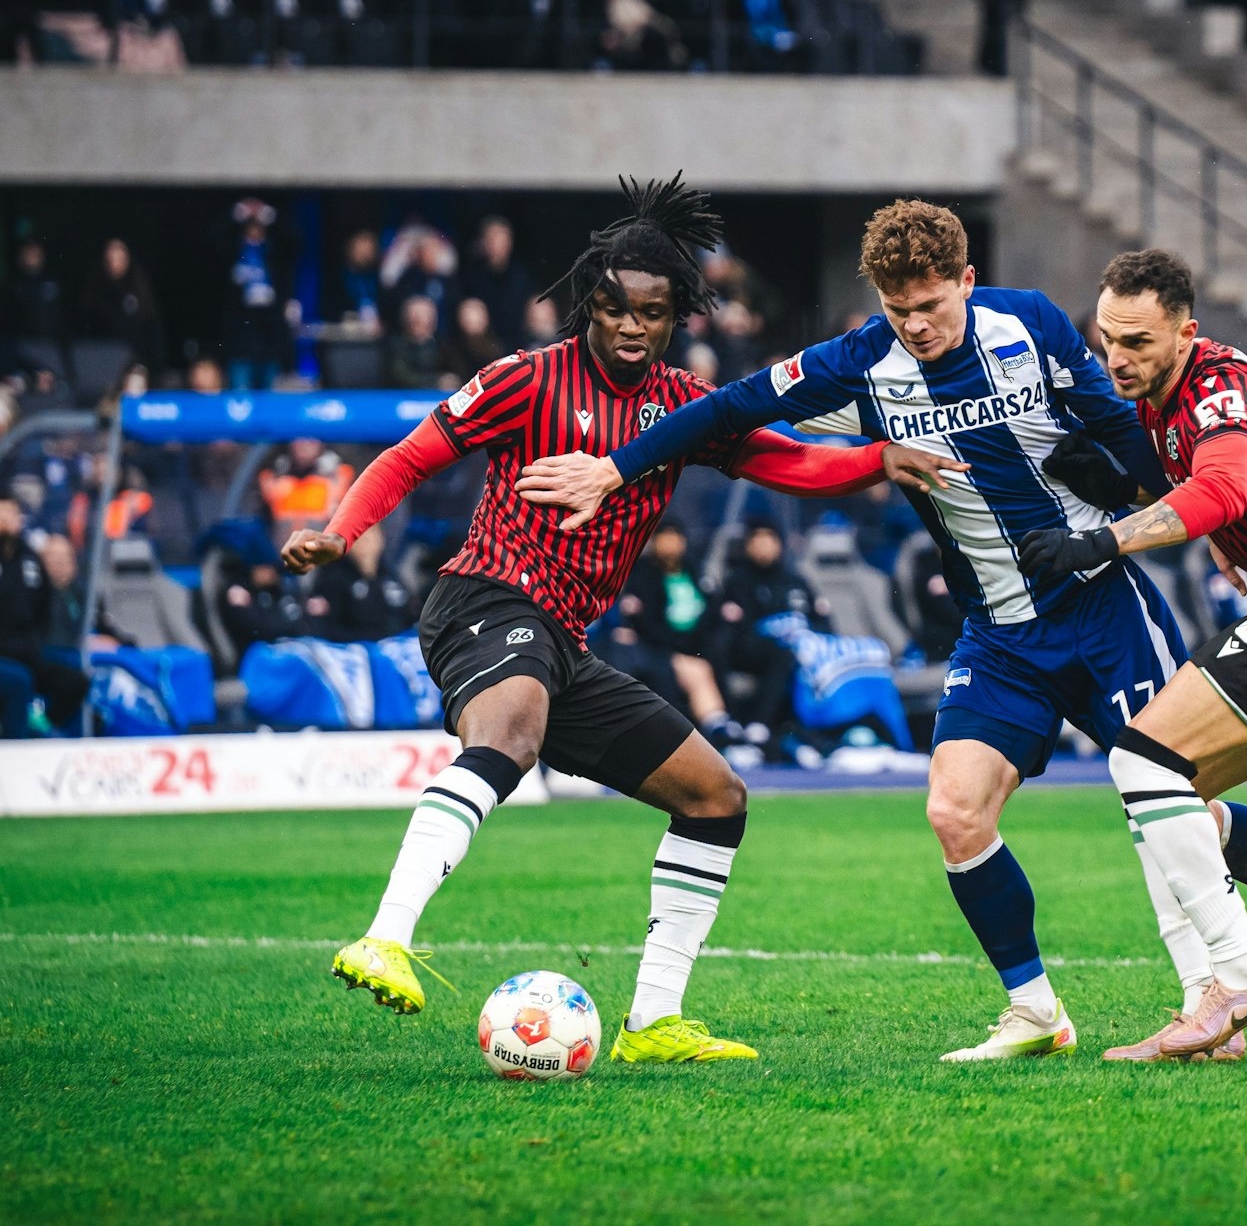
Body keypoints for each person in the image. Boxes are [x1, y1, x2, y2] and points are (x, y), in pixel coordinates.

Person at [520, 203, 1247, 1064]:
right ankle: (1033, 1011)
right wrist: (614, 468)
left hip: (1101, 606)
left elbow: (1123, 433)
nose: (915, 325)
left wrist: (1201, 519)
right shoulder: (861, 362)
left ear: (966, 282)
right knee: (954, 810)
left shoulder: (1032, 326)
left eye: (932, 306)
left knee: (1172, 806)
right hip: (997, 630)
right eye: (897, 308)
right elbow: (727, 409)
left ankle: (1228, 975)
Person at [279, 175, 954, 1064]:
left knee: (715, 797)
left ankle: (653, 1022)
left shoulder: (685, 405)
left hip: (566, 644)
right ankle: (385, 937)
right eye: (613, 308)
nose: (632, 325)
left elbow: (787, 461)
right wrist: (338, 530)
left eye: (653, 311)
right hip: (483, 601)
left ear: (679, 316)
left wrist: (879, 459)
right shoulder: (523, 380)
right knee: (512, 731)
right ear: (586, 307)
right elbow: (408, 457)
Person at [1015, 248, 1247, 1059]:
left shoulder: (1219, 384)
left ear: (1187, 333)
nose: (1117, 357)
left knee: (1139, 763)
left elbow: (1221, 489)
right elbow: (1206, 492)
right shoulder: (1162, 395)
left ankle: (1240, 980)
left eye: (1139, 343)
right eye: (1107, 337)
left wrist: (1100, 541)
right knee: (1170, 806)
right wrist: (1136, 492)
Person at [609, 519, 739, 746]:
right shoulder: (641, 574)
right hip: (660, 648)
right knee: (696, 669)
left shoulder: (694, 570)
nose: (671, 544)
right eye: (665, 537)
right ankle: (716, 728)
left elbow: (712, 609)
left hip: (698, 645)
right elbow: (644, 622)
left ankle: (724, 727)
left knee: (715, 653)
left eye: (675, 537)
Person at [709, 519, 825, 760]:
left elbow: (822, 620)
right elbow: (733, 630)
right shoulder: (738, 580)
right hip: (757, 652)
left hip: (807, 653)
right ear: (747, 546)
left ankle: (823, 738)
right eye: (757, 540)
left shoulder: (796, 580)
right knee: (780, 653)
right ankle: (756, 727)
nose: (764, 545)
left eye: (769, 539)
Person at [0, 496, 88, 737]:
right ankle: (16, 748)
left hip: (27, 652)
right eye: (2, 513)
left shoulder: (29, 557)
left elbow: (43, 606)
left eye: (12, 514)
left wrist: (35, 644)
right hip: (4, 656)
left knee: (74, 681)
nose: (7, 519)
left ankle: (42, 727)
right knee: (18, 681)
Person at [222, 199, 294, 391]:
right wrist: (238, 213)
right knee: (240, 398)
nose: (255, 232)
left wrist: (269, 214)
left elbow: (294, 239)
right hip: (241, 340)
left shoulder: (273, 253)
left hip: (270, 338)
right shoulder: (234, 252)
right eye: (250, 228)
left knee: (269, 400)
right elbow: (214, 239)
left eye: (259, 228)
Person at [308, 524, 415, 643]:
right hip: (350, 652)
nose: (365, 544)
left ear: (381, 540)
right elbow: (321, 629)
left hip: (393, 651)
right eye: (358, 538)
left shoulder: (390, 577)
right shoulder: (331, 577)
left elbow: (412, 617)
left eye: (370, 536)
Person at [77, 237, 164, 373]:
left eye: (120, 259)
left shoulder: (140, 289)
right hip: (104, 362)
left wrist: (154, 367)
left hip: (137, 363)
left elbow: (151, 328)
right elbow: (88, 331)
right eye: (111, 259)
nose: (115, 264)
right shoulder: (95, 292)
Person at [460, 216, 534, 349]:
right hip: (484, 342)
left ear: (509, 242)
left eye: (501, 239)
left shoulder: (521, 274)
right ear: (483, 242)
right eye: (491, 239)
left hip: (518, 338)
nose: (496, 245)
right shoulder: (472, 274)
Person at [385, 295, 449, 391]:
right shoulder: (394, 346)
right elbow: (399, 376)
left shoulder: (444, 346)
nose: (418, 319)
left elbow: (454, 375)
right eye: (414, 315)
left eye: (424, 315)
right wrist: (436, 382)